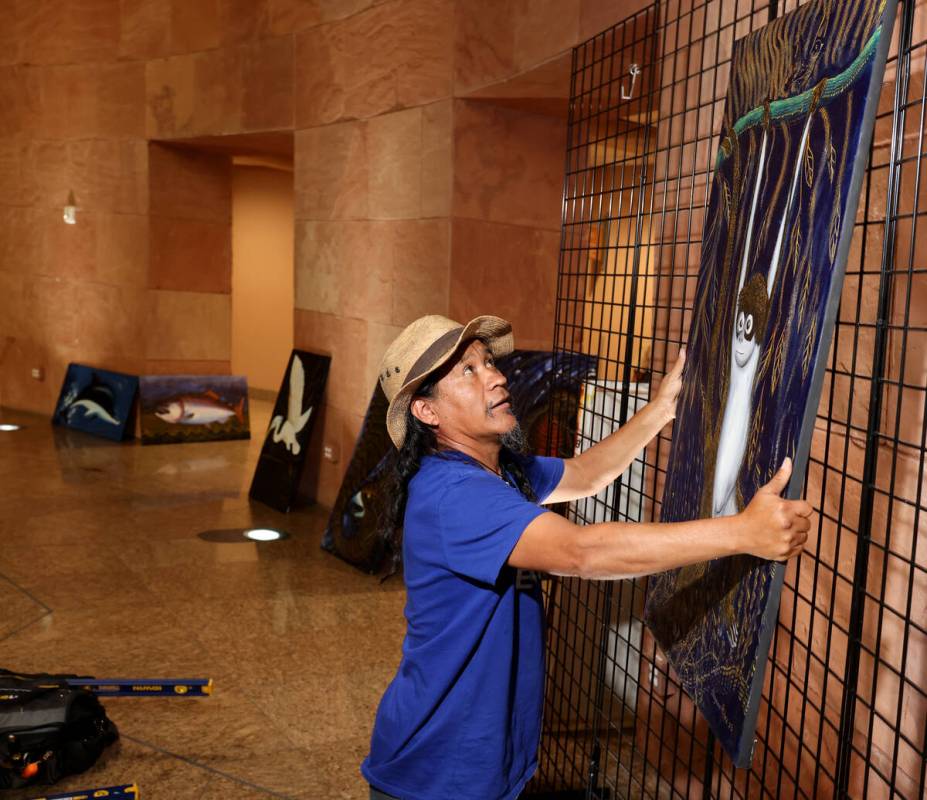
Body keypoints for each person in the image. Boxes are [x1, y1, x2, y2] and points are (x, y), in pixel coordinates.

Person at [361, 314, 812, 800]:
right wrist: (744, 532)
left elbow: (584, 473)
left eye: (487, 361)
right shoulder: (453, 495)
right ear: (427, 413)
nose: (495, 375)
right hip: (432, 774)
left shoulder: (499, 470)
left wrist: (659, 410)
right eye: (467, 371)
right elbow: (581, 552)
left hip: (480, 765)